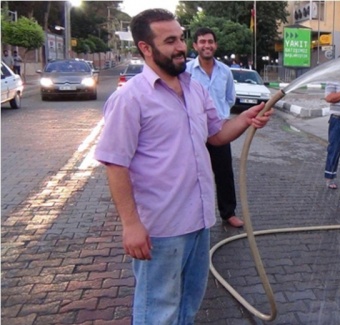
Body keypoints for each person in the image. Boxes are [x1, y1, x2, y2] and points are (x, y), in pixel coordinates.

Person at [93, 9, 272, 324]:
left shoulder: (193, 87)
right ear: (145, 48)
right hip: (160, 229)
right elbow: (115, 164)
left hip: (198, 222)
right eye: (170, 40)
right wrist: (131, 225)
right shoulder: (131, 98)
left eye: (181, 38)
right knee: (157, 311)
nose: (181, 47)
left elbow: (216, 134)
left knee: (188, 306)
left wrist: (246, 118)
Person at [186, 27, 243, 228]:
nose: (206, 45)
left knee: (224, 173)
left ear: (215, 45)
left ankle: (228, 213)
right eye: (202, 42)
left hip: (219, 130)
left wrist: (224, 118)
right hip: (193, 132)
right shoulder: (186, 71)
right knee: (193, 174)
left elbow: (229, 98)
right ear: (195, 46)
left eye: (210, 41)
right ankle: (192, 216)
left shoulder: (225, 71)